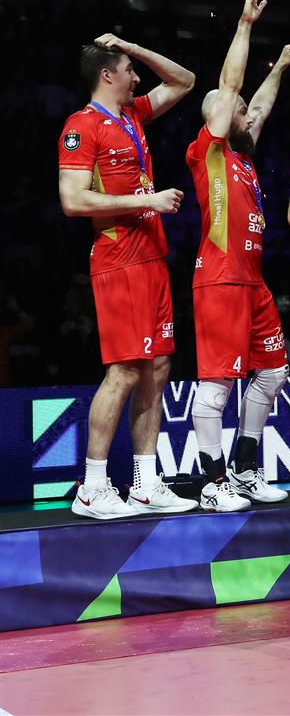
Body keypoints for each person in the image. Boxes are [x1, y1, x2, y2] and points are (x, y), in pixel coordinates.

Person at [57, 32, 196, 518]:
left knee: (157, 367)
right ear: (106, 75)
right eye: (129, 70)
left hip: (152, 257)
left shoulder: (132, 114)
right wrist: (147, 200)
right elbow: (73, 200)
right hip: (119, 260)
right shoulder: (82, 125)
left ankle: (145, 482)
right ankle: (92, 487)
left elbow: (184, 81)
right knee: (124, 371)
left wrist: (133, 48)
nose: (137, 78)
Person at [186, 0, 290, 512]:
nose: (247, 116)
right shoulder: (208, 151)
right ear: (219, 116)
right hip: (220, 278)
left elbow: (257, 105)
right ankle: (212, 483)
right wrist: (245, 25)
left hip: (253, 282)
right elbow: (232, 86)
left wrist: (279, 68)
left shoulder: (243, 156)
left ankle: (246, 468)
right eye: (237, 111)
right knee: (217, 384)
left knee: (274, 371)